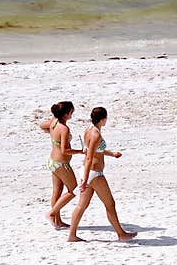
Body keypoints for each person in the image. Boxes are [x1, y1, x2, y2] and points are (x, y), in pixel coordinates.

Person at [67, 106, 137, 242]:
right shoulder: (96, 135)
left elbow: (93, 150)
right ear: (103, 119)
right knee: (110, 204)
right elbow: (89, 157)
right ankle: (121, 234)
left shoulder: (89, 130)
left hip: (87, 172)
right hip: (94, 174)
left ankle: (72, 235)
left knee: (82, 205)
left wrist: (111, 154)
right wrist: (85, 180)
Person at [39, 101, 85, 229]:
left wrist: (53, 136)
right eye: (71, 112)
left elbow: (42, 125)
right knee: (73, 189)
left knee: (57, 192)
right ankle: (51, 214)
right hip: (61, 164)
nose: (72, 114)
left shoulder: (53, 122)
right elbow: (65, 150)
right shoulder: (64, 128)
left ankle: (57, 221)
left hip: (53, 161)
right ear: (66, 114)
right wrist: (81, 151)